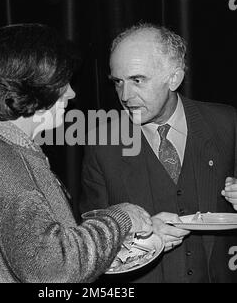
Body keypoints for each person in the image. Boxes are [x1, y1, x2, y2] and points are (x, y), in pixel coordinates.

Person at [0, 23, 153, 283]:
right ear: (30, 85)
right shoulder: (6, 165)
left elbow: (36, 247)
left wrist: (128, 237)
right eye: (62, 82)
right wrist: (122, 218)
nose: (71, 92)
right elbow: (55, 269)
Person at [80, 23, 237, 283]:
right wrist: (141, 239)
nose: (125, 96)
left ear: (174, 78)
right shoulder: (102, 144)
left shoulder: (227, 124)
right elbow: (91, 246)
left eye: (137, 80)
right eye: (118, 82)